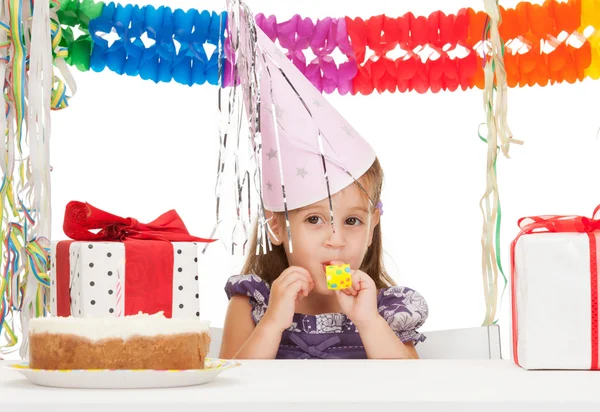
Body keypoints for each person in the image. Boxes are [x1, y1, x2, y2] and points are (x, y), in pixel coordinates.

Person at [218, 15, 428, 360]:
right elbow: (232, 390)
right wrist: (272, 323)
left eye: (352, 221)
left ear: (373, 225)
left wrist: (368, 321)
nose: (336, 239)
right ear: (276, 226)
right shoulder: (251, 304)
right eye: (314, 220)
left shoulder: (385, 310)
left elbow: (410, 390)